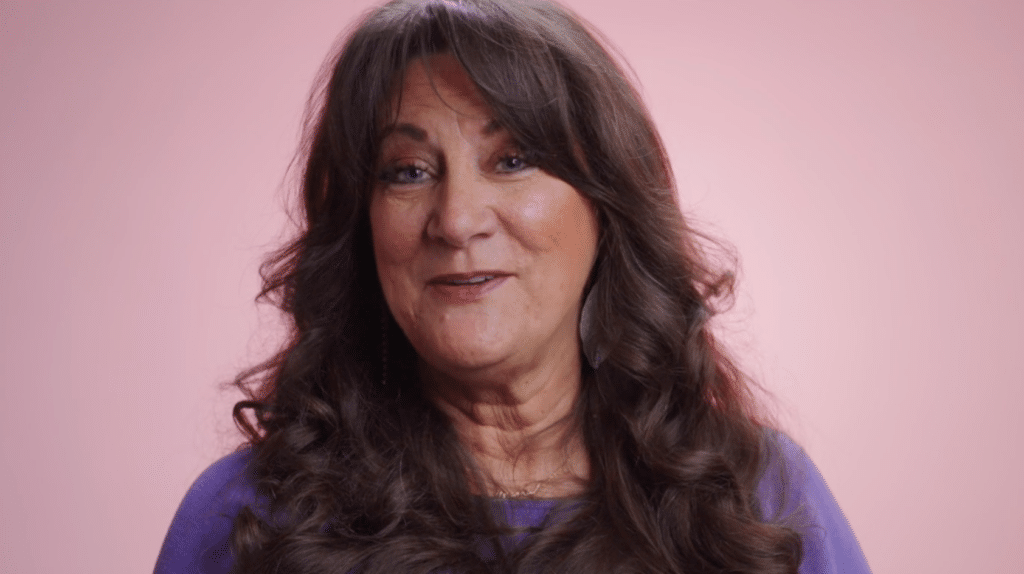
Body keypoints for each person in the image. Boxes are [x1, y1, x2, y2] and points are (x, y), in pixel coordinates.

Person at [155, 1, 872, 572]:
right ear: (363, 224)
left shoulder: (758, 502)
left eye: (513, 159)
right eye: (407, 170)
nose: (457, 220)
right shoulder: (248, 519)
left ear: (605, 203)